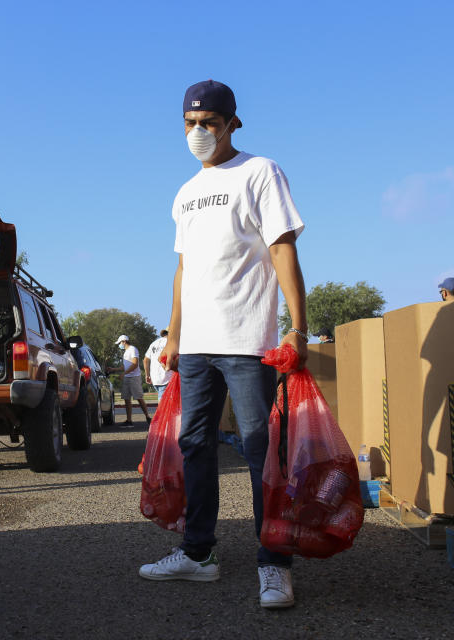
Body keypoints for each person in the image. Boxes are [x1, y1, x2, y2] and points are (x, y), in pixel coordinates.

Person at [138, 80, 309, 610]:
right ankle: (199, 554)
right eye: (190, 123)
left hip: (247, 339)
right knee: (194, 446)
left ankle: (274, 563)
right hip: (195, 348)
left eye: (209, 122)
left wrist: (298, 327)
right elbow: (184, 269)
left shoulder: (260, 172)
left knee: (260, 450)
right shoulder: (185, 192)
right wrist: (172, 335)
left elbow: (281, 248)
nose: (198, 132)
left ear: (233, 123)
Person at [108, 335, 151, 427]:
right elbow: (124, 366)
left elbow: (135, 364)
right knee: (127, 399)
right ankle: (129, 420)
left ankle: (148, 417)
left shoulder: (133, 349)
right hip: (127, 377)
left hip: (134, 377)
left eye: (120, 343)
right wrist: (113, 369)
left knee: (139, 397)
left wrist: (124, 373)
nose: (119, 345)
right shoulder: (126, 352)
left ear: (124, 341)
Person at [144, 328, 174, 401]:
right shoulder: (172, 343)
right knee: (165, 402)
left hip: (155, 378)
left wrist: (147, 375)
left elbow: (145, 360)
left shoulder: (154, 343)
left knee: (165, 400)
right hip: (167, 377)